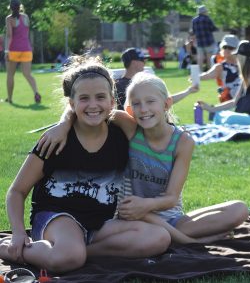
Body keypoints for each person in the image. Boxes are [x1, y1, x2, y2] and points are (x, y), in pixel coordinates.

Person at [0, 56, 171, 273]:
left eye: (100, 97)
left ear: (111, 101)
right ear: (71, 104)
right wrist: (17, 233)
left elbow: (157, 132)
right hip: (57, 217)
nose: (93, 105)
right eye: (84, 98)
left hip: (98, 225)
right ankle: (10, 249)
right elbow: (17, 190)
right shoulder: (54, 141)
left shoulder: (123, 132)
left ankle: (77, 253)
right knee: (69, 255)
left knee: (158, 238)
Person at [37, 72, 249, 244]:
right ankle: (186, 240)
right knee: (152, 234)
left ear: (166, 104)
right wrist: (63, 125)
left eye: (150, 101)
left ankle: (180, 236)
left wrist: (147, 205)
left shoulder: (183, 142)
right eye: (136, 104)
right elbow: (82, 103)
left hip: (170, 218)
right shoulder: (129, 127)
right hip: (131, 217)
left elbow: (172, 198)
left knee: (239, 209)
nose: (144, 109)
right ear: (129, 110)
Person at [199, 40, 250, 125]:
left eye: (238, 55)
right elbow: (234, 102)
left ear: (243, 57)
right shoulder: (247, 74)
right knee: (219, 115)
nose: (237, 58)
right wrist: (210, 108)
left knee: (229, 118)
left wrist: (239, 112)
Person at [116, 47, 198, 110]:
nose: (145, 63)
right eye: (142, 60)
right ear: (134, 63)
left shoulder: (143, 82)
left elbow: (166, 100)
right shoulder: (120, 86)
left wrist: (189, 91)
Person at [5, 0, 41, 104]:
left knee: (10, 75)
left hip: (14, 50)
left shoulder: (9, 19)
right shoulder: (25, 17)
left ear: (10, 7)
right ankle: (36, 92)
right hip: (26, 49)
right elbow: (27, 33)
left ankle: (10, 99)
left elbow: (9, 35)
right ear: (20, 6)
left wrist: (6, 51)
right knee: (27, 74)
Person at [199, 34, 241, 102]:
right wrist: (196, 77)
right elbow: (208, 75)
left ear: (236, 49)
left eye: (230, 47)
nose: (227, 49)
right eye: (225, 47)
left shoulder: (242, 64)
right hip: (229, 99)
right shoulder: (220, 66)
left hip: (244, 98)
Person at [192, 5, 218, 71]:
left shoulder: (194, 20)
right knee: (209, 56)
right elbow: (213, 28)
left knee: (200, 57)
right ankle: (209, 70)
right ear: (204, 12)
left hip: (199, 41)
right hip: (208, 41)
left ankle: (200, 71)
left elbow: (193, 31)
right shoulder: (207, 19)